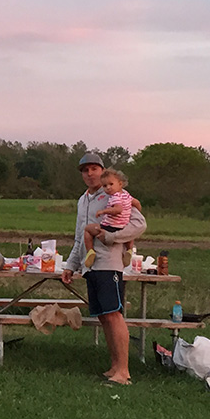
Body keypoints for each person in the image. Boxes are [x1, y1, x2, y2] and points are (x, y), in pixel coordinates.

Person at [62, 152, 146, 386]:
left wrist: (111, 237)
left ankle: (124, 372)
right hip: (91, 266)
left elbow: (139, 224)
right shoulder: (83, 200)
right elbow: (80, 236)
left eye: (94, 169)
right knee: (103, 316)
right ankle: (115, 366)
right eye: (85, 170)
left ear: (102, 170)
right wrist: (71, 265)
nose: (90, 174)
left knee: (113, 314)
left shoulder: (116, 194)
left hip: (109, 264)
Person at [82, 168, 142, 268]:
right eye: (105, 186)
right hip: (123, 225)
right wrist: (133, 212)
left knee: (88, 229)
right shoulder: (127, 195)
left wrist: (103, 211)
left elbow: (117, 209)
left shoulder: (115, 196)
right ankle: (129, 250)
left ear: (120, 184)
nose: (108, 188)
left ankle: (90, 251)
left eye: (111, 184)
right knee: (129, 236)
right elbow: (137, 203)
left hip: (110, 227)